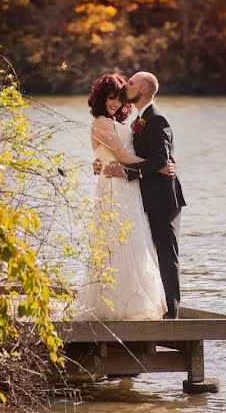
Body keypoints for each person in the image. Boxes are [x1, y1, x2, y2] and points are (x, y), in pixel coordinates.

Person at [73, 73, 170, 321]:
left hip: (125, 185)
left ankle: (132, 302)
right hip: (116, 187)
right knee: (119, 242)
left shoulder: (112, 121)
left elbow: (113, 156)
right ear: (101, 98)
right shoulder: (102, 122)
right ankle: (119, 306)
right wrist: (157, 166)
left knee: (132, 241)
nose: (115, 103)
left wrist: (102, 162)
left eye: (118, 98)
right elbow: (122, 157)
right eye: (110, 98)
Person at [98, 71, 185, 320]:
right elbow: (132, 153)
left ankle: (173, 311)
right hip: (142, 197)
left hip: (164, 199)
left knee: (166, 252)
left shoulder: (157, 120)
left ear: (144, 90)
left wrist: (125, 170)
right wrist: (102, 161)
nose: (127, 86)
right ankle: (155, 302)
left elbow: (160, 160)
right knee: (144, 251)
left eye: (132, 83)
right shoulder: (139, 120)